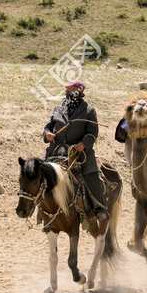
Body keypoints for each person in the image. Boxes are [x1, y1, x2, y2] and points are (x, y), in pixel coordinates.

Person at [43, 80, 109, 222]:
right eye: (66, 92)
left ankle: (98, 206)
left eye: (70, 91)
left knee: (90, 174)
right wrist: (47, 134)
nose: (67, 94)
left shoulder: (89, 110)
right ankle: (38, 205)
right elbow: (48, 127)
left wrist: (84, 144)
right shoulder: (57, 109)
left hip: (79, 152)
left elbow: (92, 133)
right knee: (37, 170)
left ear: (79, 93)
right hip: (56, 150)